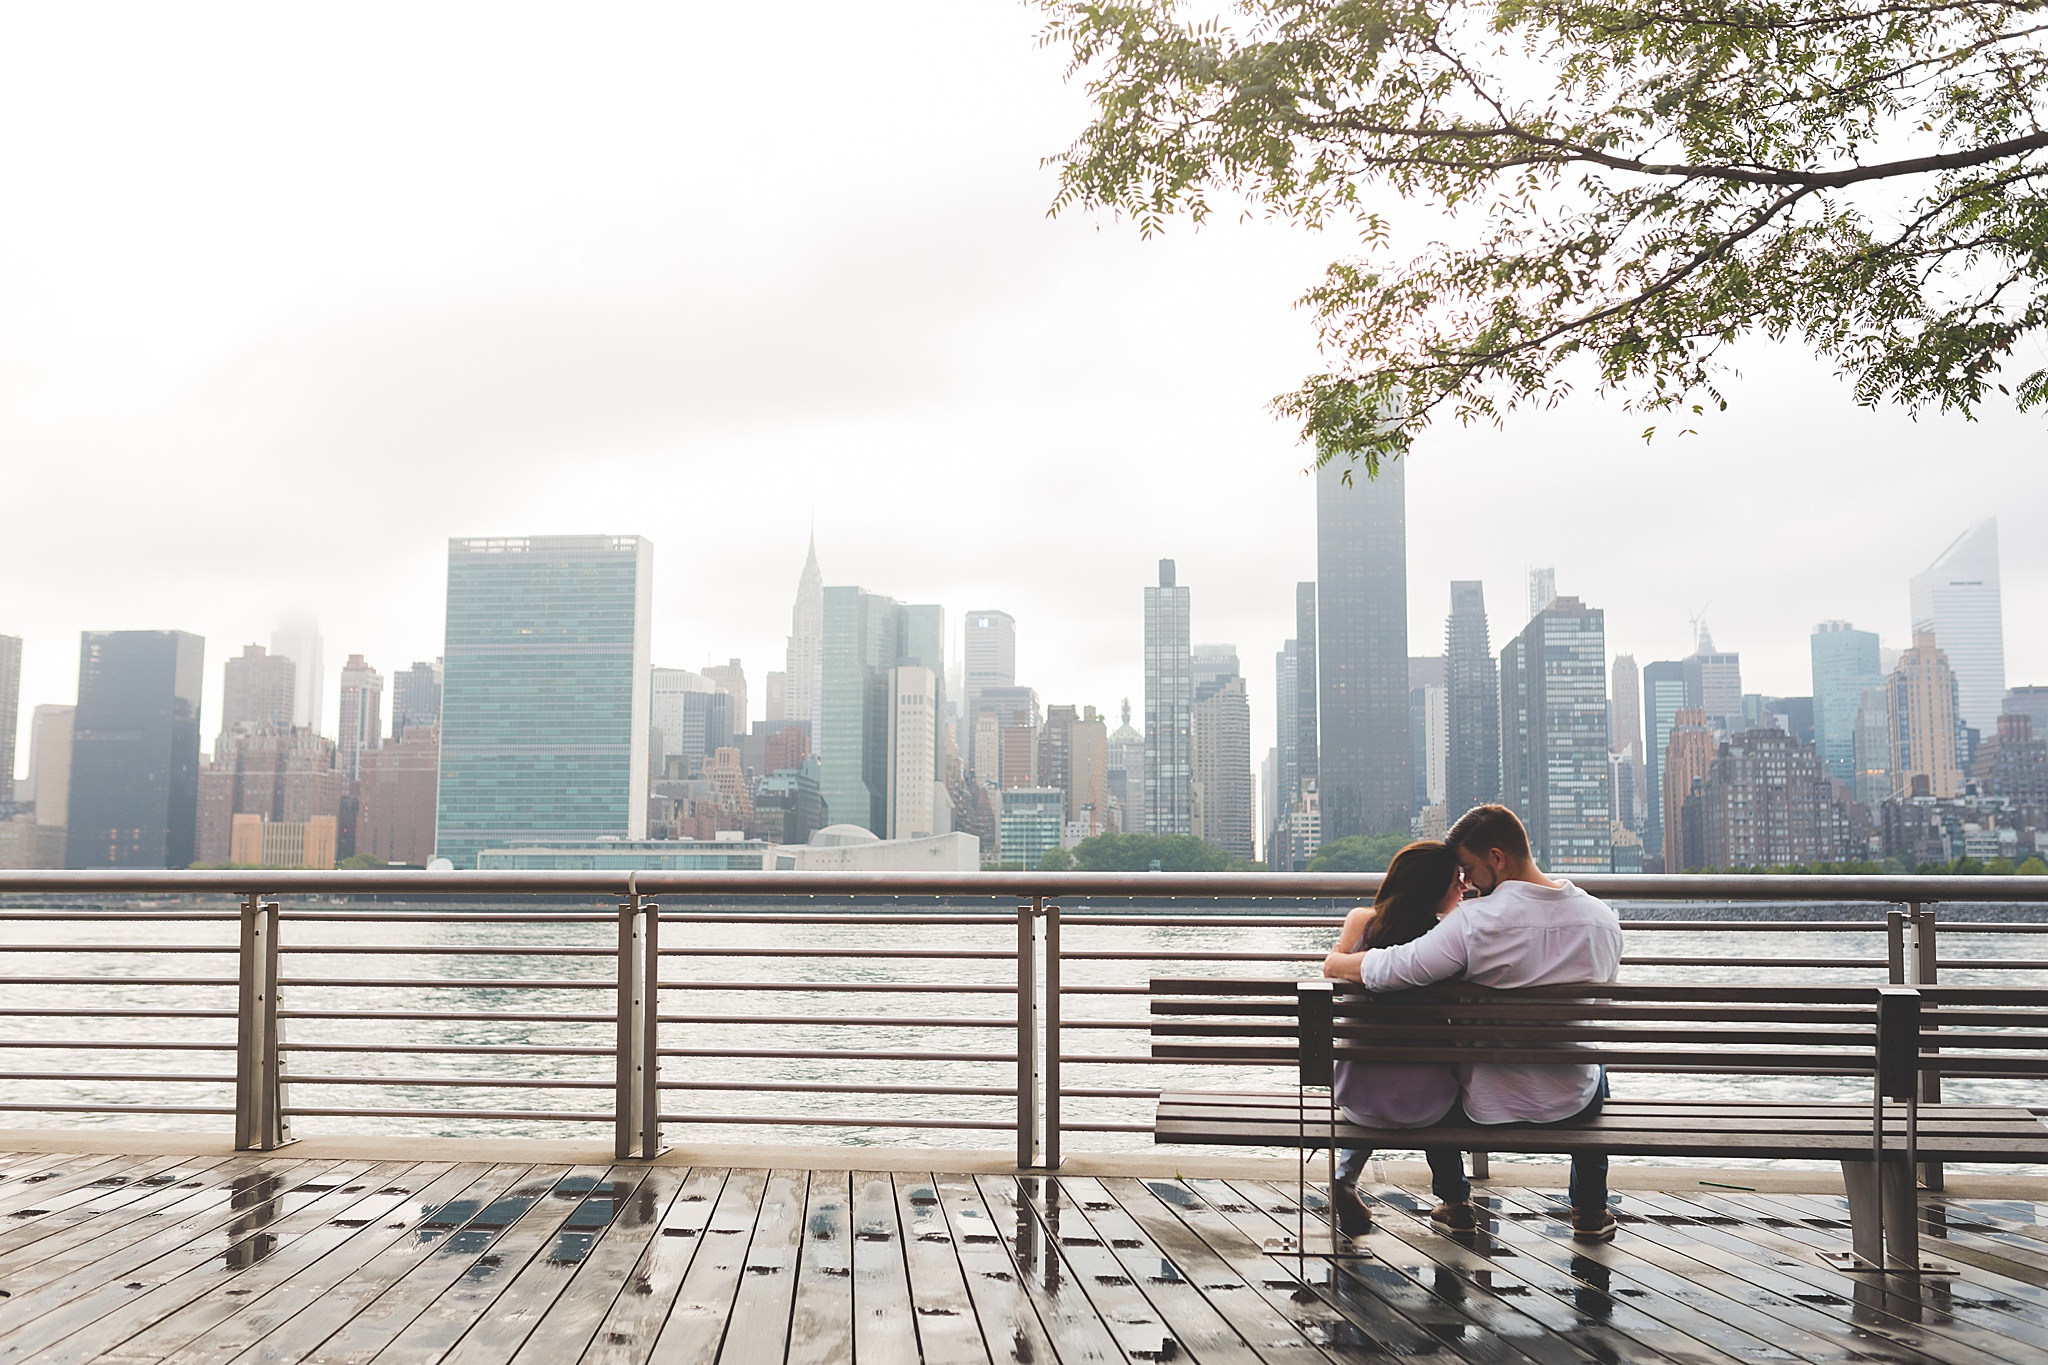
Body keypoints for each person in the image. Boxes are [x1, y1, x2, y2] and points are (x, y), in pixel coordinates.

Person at [1324, 804, 1623, 1242]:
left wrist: (1337, 961)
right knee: (1594, 1070)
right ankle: (1590, 1209)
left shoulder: (1474, 922)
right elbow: (1599, 1004)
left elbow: (1391, 970)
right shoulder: (1602, 918)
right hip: (1571, 1102)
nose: (1467, 882)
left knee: (1440, 1076)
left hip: (1486, 1103)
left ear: (1497, 858)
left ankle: (1453, 1200)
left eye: (1468, 868)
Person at [1323, 840, 1465, 1236]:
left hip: (1357, 1096)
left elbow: (1331, 970)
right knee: (1439, 1081)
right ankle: (1456, 1200)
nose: (1463, 889)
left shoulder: (1358, 923)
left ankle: (1345, 1178)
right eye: (1456, 882)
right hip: (1431, 1103)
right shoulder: (1447, 942)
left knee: (1376, 1076)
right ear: (1432, 889)